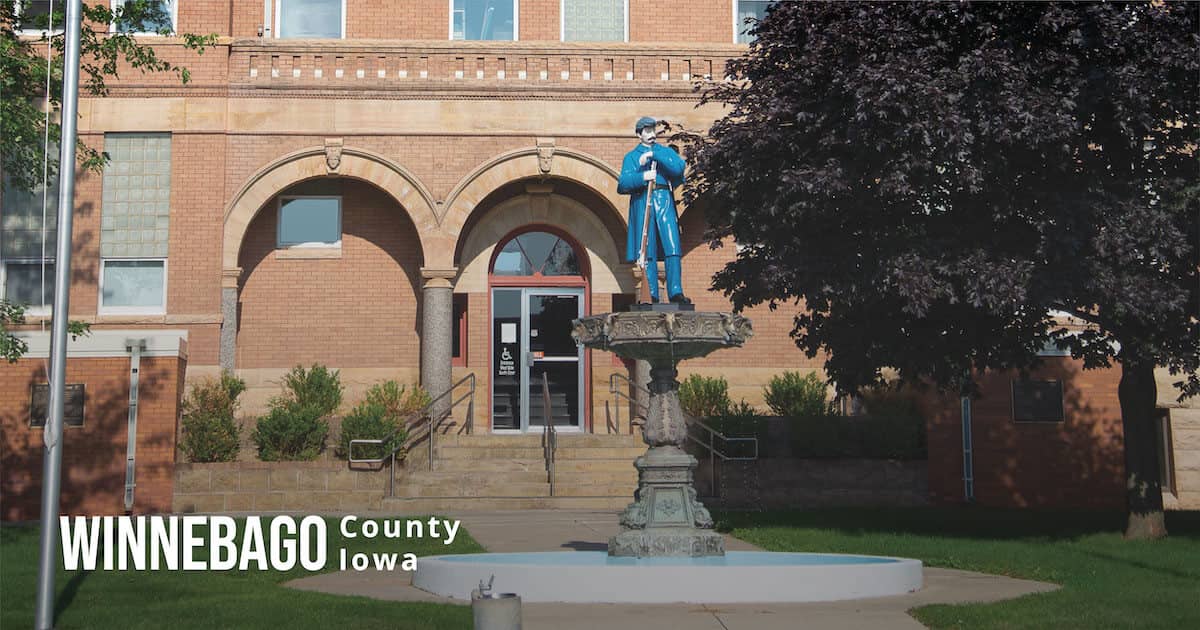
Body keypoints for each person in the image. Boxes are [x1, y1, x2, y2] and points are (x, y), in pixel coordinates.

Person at [617, 116, 691, 305]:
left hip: (664, 200)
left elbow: (678, 168)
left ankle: (676, 291)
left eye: (652, 130)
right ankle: (651, 293)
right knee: (647, 249)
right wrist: (643, 176)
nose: (651, 134)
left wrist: (654, 155)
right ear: (639, 134)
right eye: (646, 131)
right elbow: (623, 183)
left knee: (672, 246)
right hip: (644, 202)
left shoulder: (663, 152)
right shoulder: (632, 157)